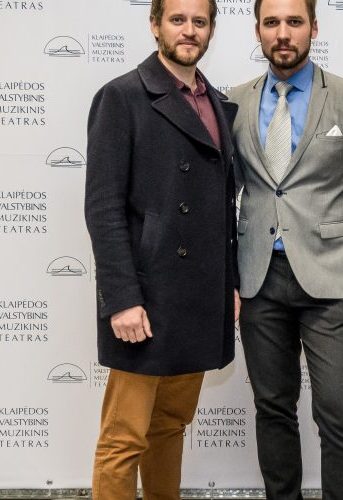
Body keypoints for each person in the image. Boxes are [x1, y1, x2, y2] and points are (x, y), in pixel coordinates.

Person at [227, 0, 343, 498]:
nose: (283, 33)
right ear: (257, 29)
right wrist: (229, 278)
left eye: (294, 22)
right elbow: (221, 197)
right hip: (258, 281)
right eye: (272, 22)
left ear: (313, 27)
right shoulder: (231, 102)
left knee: (339, 412)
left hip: (332, 283)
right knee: (273, 409)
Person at [84, 0, 240, 497]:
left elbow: (222, 211)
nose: (189, 30)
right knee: (123, 437)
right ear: (155, 25)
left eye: (199, 21)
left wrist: (229, 284)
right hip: (146, 298)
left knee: (170, 426)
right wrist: (122, 298)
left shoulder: (216, 102)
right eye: (178, 19)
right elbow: (104, 208)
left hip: (198, 296)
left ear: (211, 29)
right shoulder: (122, 96)